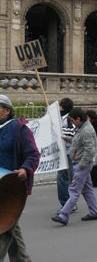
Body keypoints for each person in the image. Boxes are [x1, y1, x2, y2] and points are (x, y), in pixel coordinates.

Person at [0, 95, 40, 262]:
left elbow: (33, 154)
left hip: (12, 189)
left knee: (3, 227)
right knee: (10, 227)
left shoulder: (19, 129)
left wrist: (25, 169)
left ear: (7, 111)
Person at [51, 108, 97, 226]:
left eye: (73, 121)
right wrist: (68, 139)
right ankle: (95, 212)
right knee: (87, 189)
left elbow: (90, 150)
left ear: (78, 119)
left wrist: (81, 165)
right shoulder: (83, 128)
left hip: (81, 163)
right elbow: (81, 143)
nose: (72, 123)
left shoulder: (86, 130)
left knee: (74, 190)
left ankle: (64, 215)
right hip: (82, 163)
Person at [56, 98, 77, 210]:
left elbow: (74, 134)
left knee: (63, 177)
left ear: (63, 107)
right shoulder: (59, 118)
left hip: (69, 152)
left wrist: (61, 133)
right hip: (62, 152)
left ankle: (67, 204)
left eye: (60, 106)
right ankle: (69, 203)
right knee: (67, 178)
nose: (58, 108)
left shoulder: (70, 119)